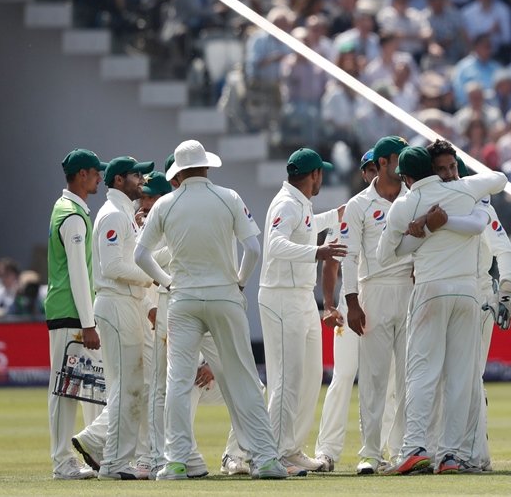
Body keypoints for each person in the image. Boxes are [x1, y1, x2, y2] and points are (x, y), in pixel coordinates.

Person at [134, 140, 290, 480]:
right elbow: (252, 248)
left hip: (184, 299)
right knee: (243, 376)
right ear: (206, 167)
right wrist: (239, 281)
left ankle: (174, 461)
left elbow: (140, 255)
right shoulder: (229, 197)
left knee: (177, 381)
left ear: (178, 172)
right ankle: (264, 459)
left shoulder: (165, 205)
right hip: (224, 295)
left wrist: (168, 281)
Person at [377, 147, 509, 474]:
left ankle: (414, 449)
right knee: (461, 377)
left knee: (423, 373)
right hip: (467, 293)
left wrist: (424, 227)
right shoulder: (465, 189)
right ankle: (450, 456)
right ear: (433, 170)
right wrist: (434, 225)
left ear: (407, 178)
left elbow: (384, 256)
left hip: (430, 290)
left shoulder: (406, 204)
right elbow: (500, 179)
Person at [424, 144, 511, 471]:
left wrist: (505, 290)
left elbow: (503, 250)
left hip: (476, 296)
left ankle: (473, 455)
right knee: (438, 379)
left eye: (453, 169)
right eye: (442, 170)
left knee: (469, 378)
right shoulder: (425, 206)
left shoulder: (479, 204)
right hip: (437, 295)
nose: (449, 175)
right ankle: (440, 452)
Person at [324, 138, 414, 475]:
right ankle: (370, 454)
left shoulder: (412, 197)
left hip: (408, 290)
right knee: (374, 378)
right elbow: (349, 257)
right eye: (399, 159)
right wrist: (352, 303)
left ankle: (403, 449)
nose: (404, 165)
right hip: (372, 292)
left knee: (407, 377)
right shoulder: (359, 204)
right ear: (386, 161)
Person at [259, 149, 346, 474]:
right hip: (281, 297)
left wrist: (334, 216)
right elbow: (276, 244)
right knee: (287, 378)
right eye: (321, 173)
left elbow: (306, 227)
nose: (322, 178)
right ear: (314, 175)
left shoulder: (300, 204)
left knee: (309, 375)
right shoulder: (286, 204)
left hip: (301, 298)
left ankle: (291, 448)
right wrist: (319, 251)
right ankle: (276, 453)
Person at [82, 157, 155, 480]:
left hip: (125, 303)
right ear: (118, 180)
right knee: (126, 386)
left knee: (130, 386)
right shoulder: (113, 214)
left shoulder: (124, 213)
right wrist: (150, 277)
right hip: (116, 302)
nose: (141, 180)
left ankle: (114, 458)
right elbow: (112, 267)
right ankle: (113, 463)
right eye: (135, 175)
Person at [47, 149, 107, 480]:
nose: (100, 176)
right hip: (70, 314)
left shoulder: (70, 209)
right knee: (64, 390)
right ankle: (62, 463)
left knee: (84, 387)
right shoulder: (72, 215)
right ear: (81, 175)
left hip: (71, 313)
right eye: (95, 172)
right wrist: (89, 323)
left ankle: (87, 456)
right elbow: (77, 274)